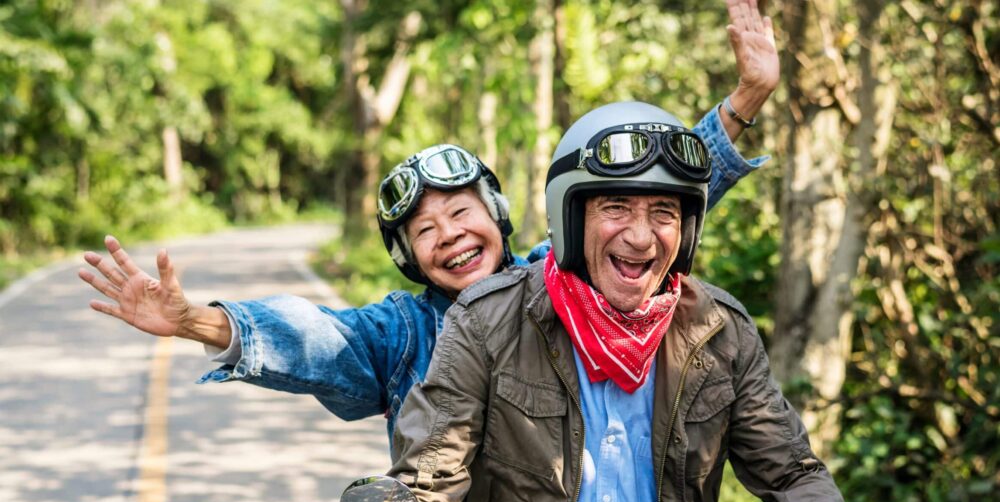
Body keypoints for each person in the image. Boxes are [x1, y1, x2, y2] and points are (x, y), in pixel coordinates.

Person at [78, 0, 779, 440]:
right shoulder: (402, 332)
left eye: (460, 211)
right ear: (411, 257)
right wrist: (198, 319)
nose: (449, 234)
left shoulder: (558, 275)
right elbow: (313, 336)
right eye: (424, 229)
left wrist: (744, 99)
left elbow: (649, 205)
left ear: (499, 217)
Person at [386, 101, 847, 502]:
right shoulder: (486, 321)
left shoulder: (721, 331)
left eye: (664, 212)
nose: (642, 237)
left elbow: (792, 474)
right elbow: (427, 483)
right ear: (570, 217)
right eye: (617, 208)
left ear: (685, 232)